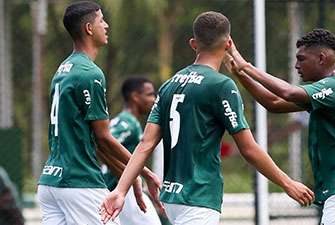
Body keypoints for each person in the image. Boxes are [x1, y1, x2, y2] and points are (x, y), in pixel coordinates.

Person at [100, 11, 314, 225]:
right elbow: (248, 148)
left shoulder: (170, 84)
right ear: (228, 43)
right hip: (199, 197)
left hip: (172, 197)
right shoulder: (221, 86)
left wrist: (120, 190)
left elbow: (146, 144)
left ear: (194, 44)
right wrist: (287, 183)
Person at [226, 28, 335, 225]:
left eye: (301, 59)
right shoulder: (331, 93)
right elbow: (274, 104)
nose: (296, 65)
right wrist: (240, 74)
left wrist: (246, 66)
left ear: (321, 58)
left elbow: (288, 93)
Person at [37, 2, 161, 225]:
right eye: (101, 20)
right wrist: (147, 173)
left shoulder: (63, 69)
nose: (106, 25)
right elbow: (103, 138)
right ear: (88, 28)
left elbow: (93, 141)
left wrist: (129, 176)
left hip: (50, 182)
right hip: (79, 182)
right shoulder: (90, 73)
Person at [101, 77, 161, 225]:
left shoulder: (125, 120)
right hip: (120, 188)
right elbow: (101, 145)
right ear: (135, 96)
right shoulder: (128, 123)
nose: (153, 99)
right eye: (149, 94)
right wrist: (132, 177)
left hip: (119, 188)